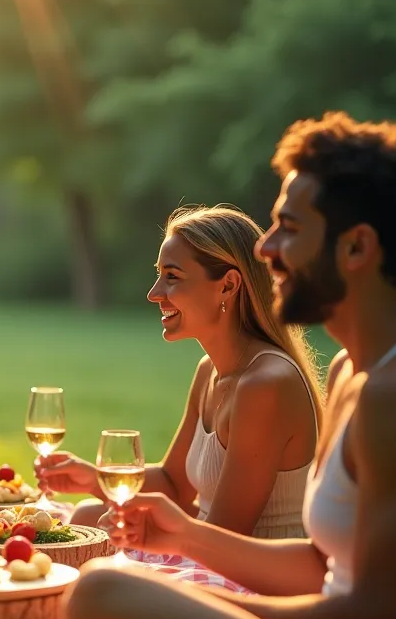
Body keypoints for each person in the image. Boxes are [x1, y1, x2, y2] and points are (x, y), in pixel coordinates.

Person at [65, 112, 396, 619]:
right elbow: (322, 568)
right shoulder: (352, 370)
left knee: (99, 595)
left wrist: (212, 610)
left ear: (358, 247)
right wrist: (183, 538)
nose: (265, 249)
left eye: (288, 229)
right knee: (108, 598)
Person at [37, 206, 321, 539]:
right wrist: (94, 478)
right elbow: (174, 485)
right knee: (86, 516)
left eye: (172, 277)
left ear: (228, 286)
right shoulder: (209, 372)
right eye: (159, 275)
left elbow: (226, 537)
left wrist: (149, 534)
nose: (154, 293)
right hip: (210, 549)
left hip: (252, 576)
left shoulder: (266, 384)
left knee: (95, 554)